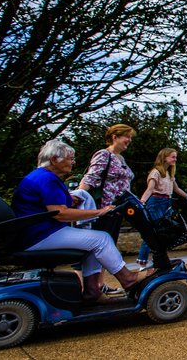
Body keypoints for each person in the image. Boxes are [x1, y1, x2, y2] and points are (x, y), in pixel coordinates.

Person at [12, 140, 146, 303]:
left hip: (35, 232)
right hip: (40, 234)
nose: (73, 162)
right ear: (54, 160)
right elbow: (60, 214)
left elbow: (51, 204)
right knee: (101, 239)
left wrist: (71, 199)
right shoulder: (47, 179)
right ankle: (128, 279)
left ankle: (92, 291)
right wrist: (99, 211)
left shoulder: (41, 177)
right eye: (70, 158)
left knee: (92, 244)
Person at [77, 124, 136, 292]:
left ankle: (100, 285)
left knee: (108, 246)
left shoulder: (121, 158)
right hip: (105, 209)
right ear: (114, 137)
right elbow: (90, 178)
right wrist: (80, 197)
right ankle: (90, 286)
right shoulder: (104, 155)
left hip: (118, 209)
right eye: (126, 136)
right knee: (99, 248)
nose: (129, 140)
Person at [137, 148, 187, 267]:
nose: (175, 159)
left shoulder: (169, 173)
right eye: (173, 157)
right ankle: (142, 261)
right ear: (164, 157)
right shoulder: (156, 172)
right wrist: (142, 201)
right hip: (156, 202)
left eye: (175, 157)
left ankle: (161, 259)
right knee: (155, 231)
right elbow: (150, 189)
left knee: (164, 232)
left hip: (167, 202)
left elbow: (176, 189)